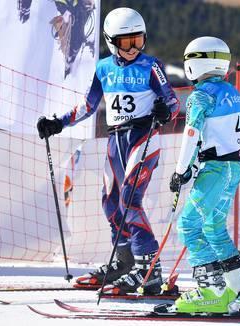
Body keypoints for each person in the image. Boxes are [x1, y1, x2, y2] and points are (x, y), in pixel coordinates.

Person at [36, 7, 179, 295]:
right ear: (111, 41)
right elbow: (89, 106)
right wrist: (58, 123)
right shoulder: (103, 68)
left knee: (130, 200)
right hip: (116, 141)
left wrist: (165, 111)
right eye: (126, 42)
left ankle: (149, 268)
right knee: (110, 202)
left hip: (143, 137)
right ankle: (124, 260)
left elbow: (173, 102)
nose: (133, 48)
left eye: (138, 40)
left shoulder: (151, 66)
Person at [169, 36, 240, 313]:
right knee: (215, 228)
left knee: (188, 226)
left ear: (194, 64)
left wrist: (181, 170)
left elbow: (191, 133)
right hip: (233, 168)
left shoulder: (200, 95)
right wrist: (194, 164)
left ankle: (212, 292)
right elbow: (218, 134)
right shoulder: (232, 92)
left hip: (215, 169)